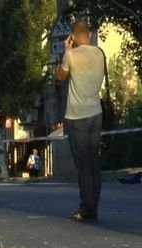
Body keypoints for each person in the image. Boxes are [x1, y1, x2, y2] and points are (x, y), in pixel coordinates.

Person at [56, 20, 104, 221]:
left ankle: (87, 208)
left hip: (77, 116)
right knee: (93, 161)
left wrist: (66, 50)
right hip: (96, 114)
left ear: (73, 37)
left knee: (83, 163)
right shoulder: (99, 53)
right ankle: (93, 204)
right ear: (90, 34)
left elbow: (60, 76)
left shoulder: (71, 55)